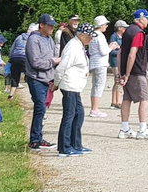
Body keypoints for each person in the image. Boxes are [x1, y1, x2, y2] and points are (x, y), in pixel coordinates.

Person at [53, 23, 97, 157]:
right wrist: (56, 83)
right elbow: (62, 67)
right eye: (90, 36)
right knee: (69, 115)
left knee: (79, 114)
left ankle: (76, 144)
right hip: (69, 85)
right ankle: (64, 148)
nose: (91, 39)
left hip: (75, 86)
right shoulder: (73, 47)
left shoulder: (79, 45)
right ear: (81, 35)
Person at [117, 9, 148, 140]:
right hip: (136, 71)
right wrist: (128, 74)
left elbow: (120, 53)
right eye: (147, 18)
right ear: (141, 19)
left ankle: (124, 129)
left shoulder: (127, 31)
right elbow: (131, 54)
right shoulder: (139, 33)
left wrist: (121, 72)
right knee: (145, 98)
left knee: (127, 99)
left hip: (126, 70)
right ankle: (143, 129)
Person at [25, 14, 60, 151]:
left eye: (53, 25)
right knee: (39, 107)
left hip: (47, 79)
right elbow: (35, 62)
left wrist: (53, 77)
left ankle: (38, 138)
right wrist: (53, 62)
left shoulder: (49, 39)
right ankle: (34, 140)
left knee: (42, 109)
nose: (52, 27)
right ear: (41, 25)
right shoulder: (33, 40)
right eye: (49, 25)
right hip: (36, 79)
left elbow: (54, 58)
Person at [88, 16, 119, 118]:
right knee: (99, 86)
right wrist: (112, 47)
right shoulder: (100, 36)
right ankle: (94, 109)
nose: (106, 26)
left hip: (94, 63)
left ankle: (94, 107)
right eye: (105, 24)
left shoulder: (92, 35)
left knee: (95, 85)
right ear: (101, 25)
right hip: (100, 63)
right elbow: (103, 51)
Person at [7, 24, 37, 101]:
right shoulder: (33, 38)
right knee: (30, 77)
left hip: (14, 57)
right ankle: (34, 96)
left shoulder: (19, 37)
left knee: (15, 78)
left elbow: (12, 49)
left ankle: (10, 96)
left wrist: (10, 58)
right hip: (24, 57)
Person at [108, 20, 128, 109]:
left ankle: (115, 101)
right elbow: (111, 51)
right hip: (115, 62)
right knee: (118, 81)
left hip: (119, 61)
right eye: (124, 27)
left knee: (118, 81)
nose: (125, 29)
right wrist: (121, 51)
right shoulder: (114, 37)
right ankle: (116, 102)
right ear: (119, 28)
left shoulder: (122, 37)